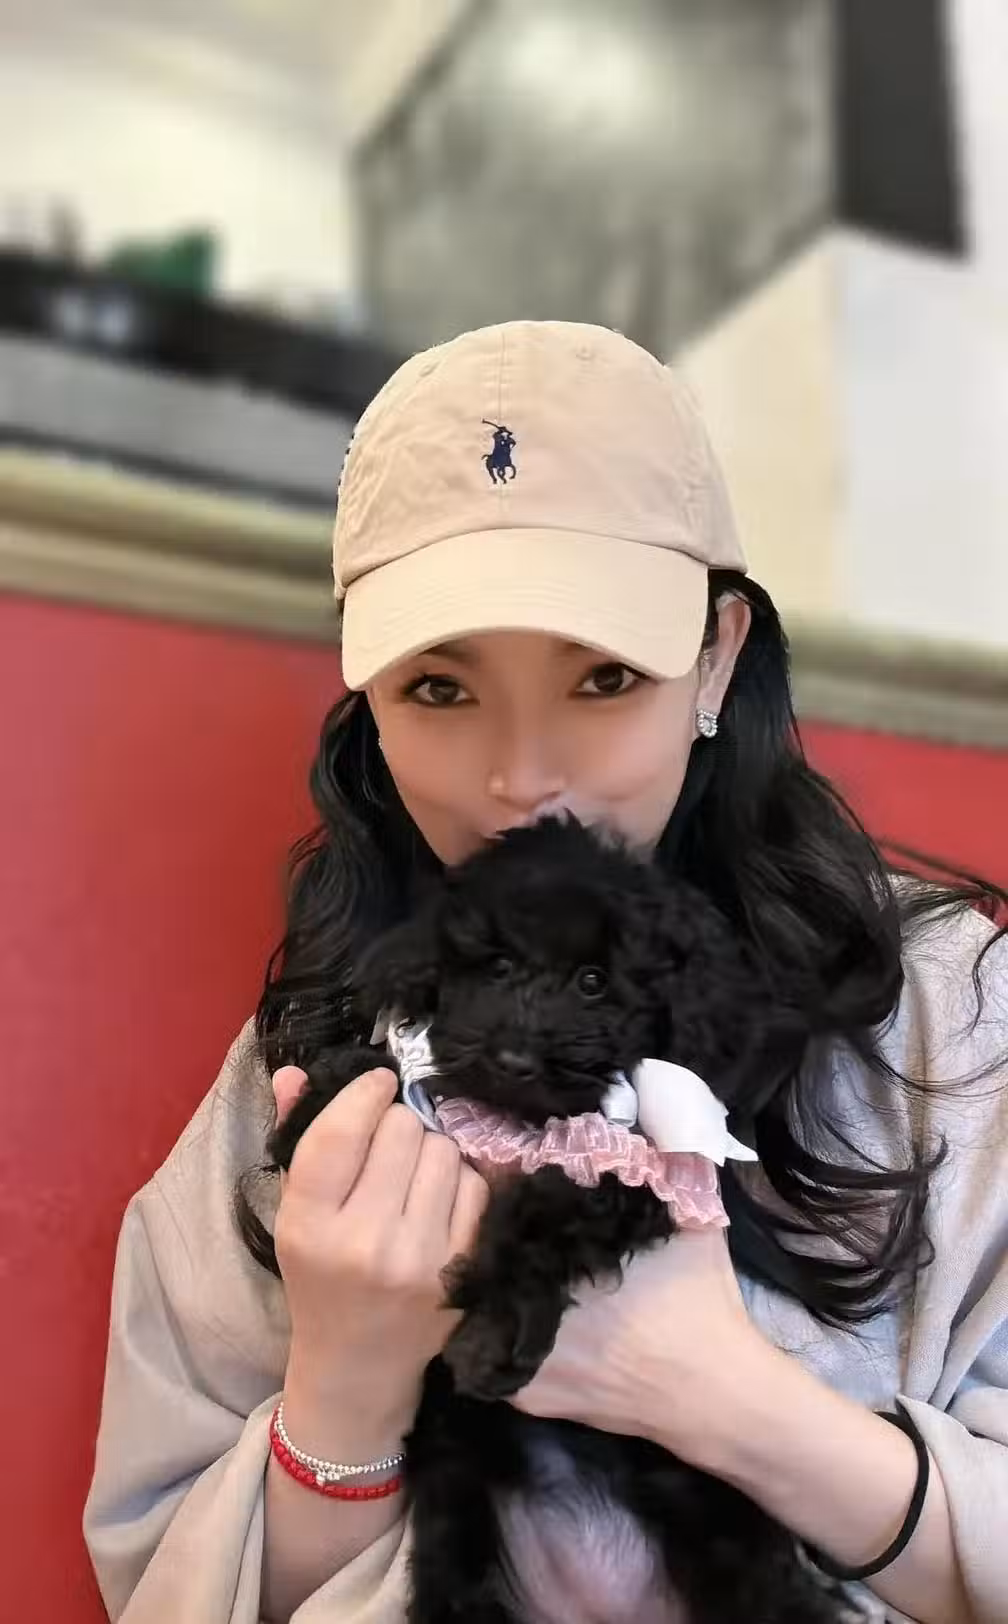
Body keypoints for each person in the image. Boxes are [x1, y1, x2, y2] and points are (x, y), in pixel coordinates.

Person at [83, 321, 1008, 1624]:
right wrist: (344, 1390)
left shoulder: (952, 1017)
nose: (521, 778)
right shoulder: (310, 1055)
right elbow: (164, 1576)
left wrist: (730, 1402)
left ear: (717, 657)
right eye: (440, 690)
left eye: (603, 676)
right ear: (370, 704)